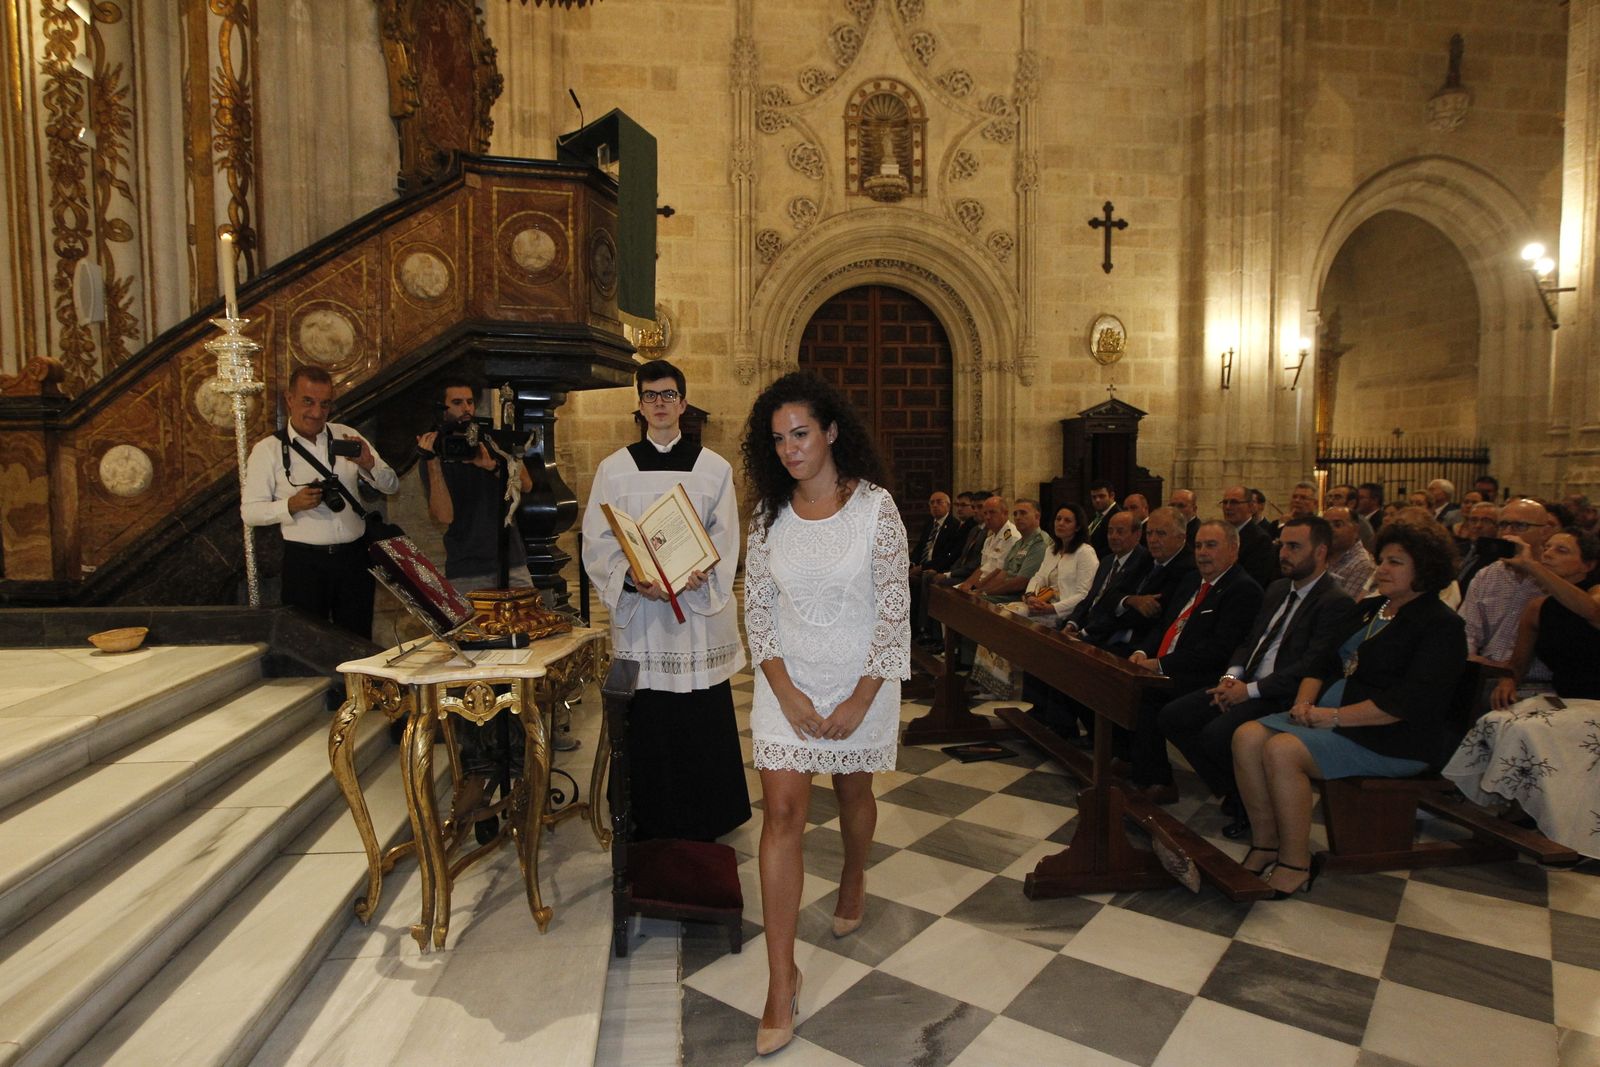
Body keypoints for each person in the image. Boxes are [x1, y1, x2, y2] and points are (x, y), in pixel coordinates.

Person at [740, 371, 909, 1056]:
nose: (789, 449)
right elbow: (758, 607)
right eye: (777, 439)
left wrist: (861, 697)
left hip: (858, 681)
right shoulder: (766, 516)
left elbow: (895, 605)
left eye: (800, 433)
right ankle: (781, 980)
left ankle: (853, 872)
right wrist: (784, 691)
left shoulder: (875, 508)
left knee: (853, 791)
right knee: (781, 815)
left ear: (832, 430)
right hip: (788, 685)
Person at [1232, 520, 1466, 897]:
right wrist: (1304, 703)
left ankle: (1295, 863)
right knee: (1246, 736)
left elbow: (1406, 702)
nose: (1382, 570)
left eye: (1396, 563)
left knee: (1282, 749)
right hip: (1330, 720)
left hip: (1390, 736)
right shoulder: (1371, 609)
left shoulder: (1440, 625)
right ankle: (1266, 843)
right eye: (1382, 560)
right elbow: (1321, 663)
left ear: (1424, 569)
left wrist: (1332, 716)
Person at [580, 359, 751, 842]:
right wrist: (632, 582)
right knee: (649, 718)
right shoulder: (614, 469)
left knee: (701, 715)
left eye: (669, 395)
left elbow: (726, 536)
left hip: (695, 614)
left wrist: (700, 574)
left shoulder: (713, 467)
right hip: (645, 622)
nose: (660, 403)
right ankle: (645, 818)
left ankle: (709, 816)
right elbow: (597, 540)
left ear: (682, 402)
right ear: (639, 404)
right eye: (651, 395)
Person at [1158, 516, 1356, 832]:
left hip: (1281, 695)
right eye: (1282, 545)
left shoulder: (1335, 602)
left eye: (1294, 547)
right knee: (1174, 716)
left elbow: (1310, 665)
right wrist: (1232, 678)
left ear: (1320, 552)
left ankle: (1251, 808)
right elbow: (1249, 641)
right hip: (1246, 682)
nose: (1283, 554)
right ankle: (1241, 792)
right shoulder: (1277, 588)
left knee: (1216, 734)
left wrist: (1247, 692)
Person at [1444, 529, 1600, 858]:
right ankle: (1516, 808)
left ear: (1587, 565)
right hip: (1567, 698)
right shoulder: (1538, 607)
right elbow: (1517, 663)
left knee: (1534, 728)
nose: (1549, 554)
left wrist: (1532, 566)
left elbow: (1590, 612)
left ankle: (1554, 825)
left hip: (1596, 701)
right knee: (1501, 720)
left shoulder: (1595, 595)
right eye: (1548, 548)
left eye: (1562, 550)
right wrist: (1508, 681)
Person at [241, 365, 399, 638]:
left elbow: (391, 484)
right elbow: (250, 513)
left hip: (354, 559)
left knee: (357, 640)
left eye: (324, 404)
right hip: (304, 563)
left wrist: (369, 464)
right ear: (289, 399)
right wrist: (291, 505)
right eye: (308, 401)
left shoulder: (346, 436)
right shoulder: (268, 450)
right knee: (307, 642)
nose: (316, 413)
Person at [1125, 520, 1263, 801]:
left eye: (1211, 545)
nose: (1202, 553)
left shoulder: (1242, 589)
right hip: (1172, 663)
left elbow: (1219, 650)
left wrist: (1161, 665)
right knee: (1121, 681)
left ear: (1233, 550)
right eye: (1198, 545)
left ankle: (1162, 782)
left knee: (1148, 697)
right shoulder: (1192, 580)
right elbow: (1166, 625)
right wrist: (1143, 652)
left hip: (1207, 673)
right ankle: (1134, 764)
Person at [416, 375, 535, 593]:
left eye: (470, 402)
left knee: (524, 623)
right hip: (467, 568)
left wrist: (492, 466)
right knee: (474, 628)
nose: (466, 409)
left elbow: (526, 485)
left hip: (511, 561)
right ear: (442, 409)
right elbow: (444, 516)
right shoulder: (437, 453)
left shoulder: (492, 440)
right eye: (457, 402)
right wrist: (432, 462)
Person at [1015, 503, 1098, 621]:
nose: (1061, 523)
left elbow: (1084, 594)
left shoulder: (1085, 552)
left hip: (1066, 613)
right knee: (1005, 613)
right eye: (1058, 519)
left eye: (1067, 521)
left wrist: (1052, 608)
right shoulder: (1051, 550)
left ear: (1077, 527)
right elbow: (1039, 577)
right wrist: (1030, 595)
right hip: (1044, 604)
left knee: (1014, 618)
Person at [975, 498, 1047, 602]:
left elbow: (1020, 582)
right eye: (1015, 514)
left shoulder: (1040, 543)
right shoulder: (1018, 544)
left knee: (976, 602)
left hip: (1019, 597)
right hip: (1004, 593)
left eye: (1023, 513)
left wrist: (987, 592)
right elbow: (1002, 574)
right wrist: (981, 590)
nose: (1018, 517)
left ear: (1037, 516)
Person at [1324, 506, 1376, 600]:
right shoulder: (1320, 555)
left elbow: (1345, 606)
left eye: (1337, 525)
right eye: (1325, 526)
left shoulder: (1362, 564)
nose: (1330, 530)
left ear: (1355, 530)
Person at [1084, 480, 1120, 557]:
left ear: (1112, 495)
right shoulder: (1095, 515)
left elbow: (1112, 546)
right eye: (1094, 497)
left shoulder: (1117, 516)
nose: (1097, 500)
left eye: (1101, 496)